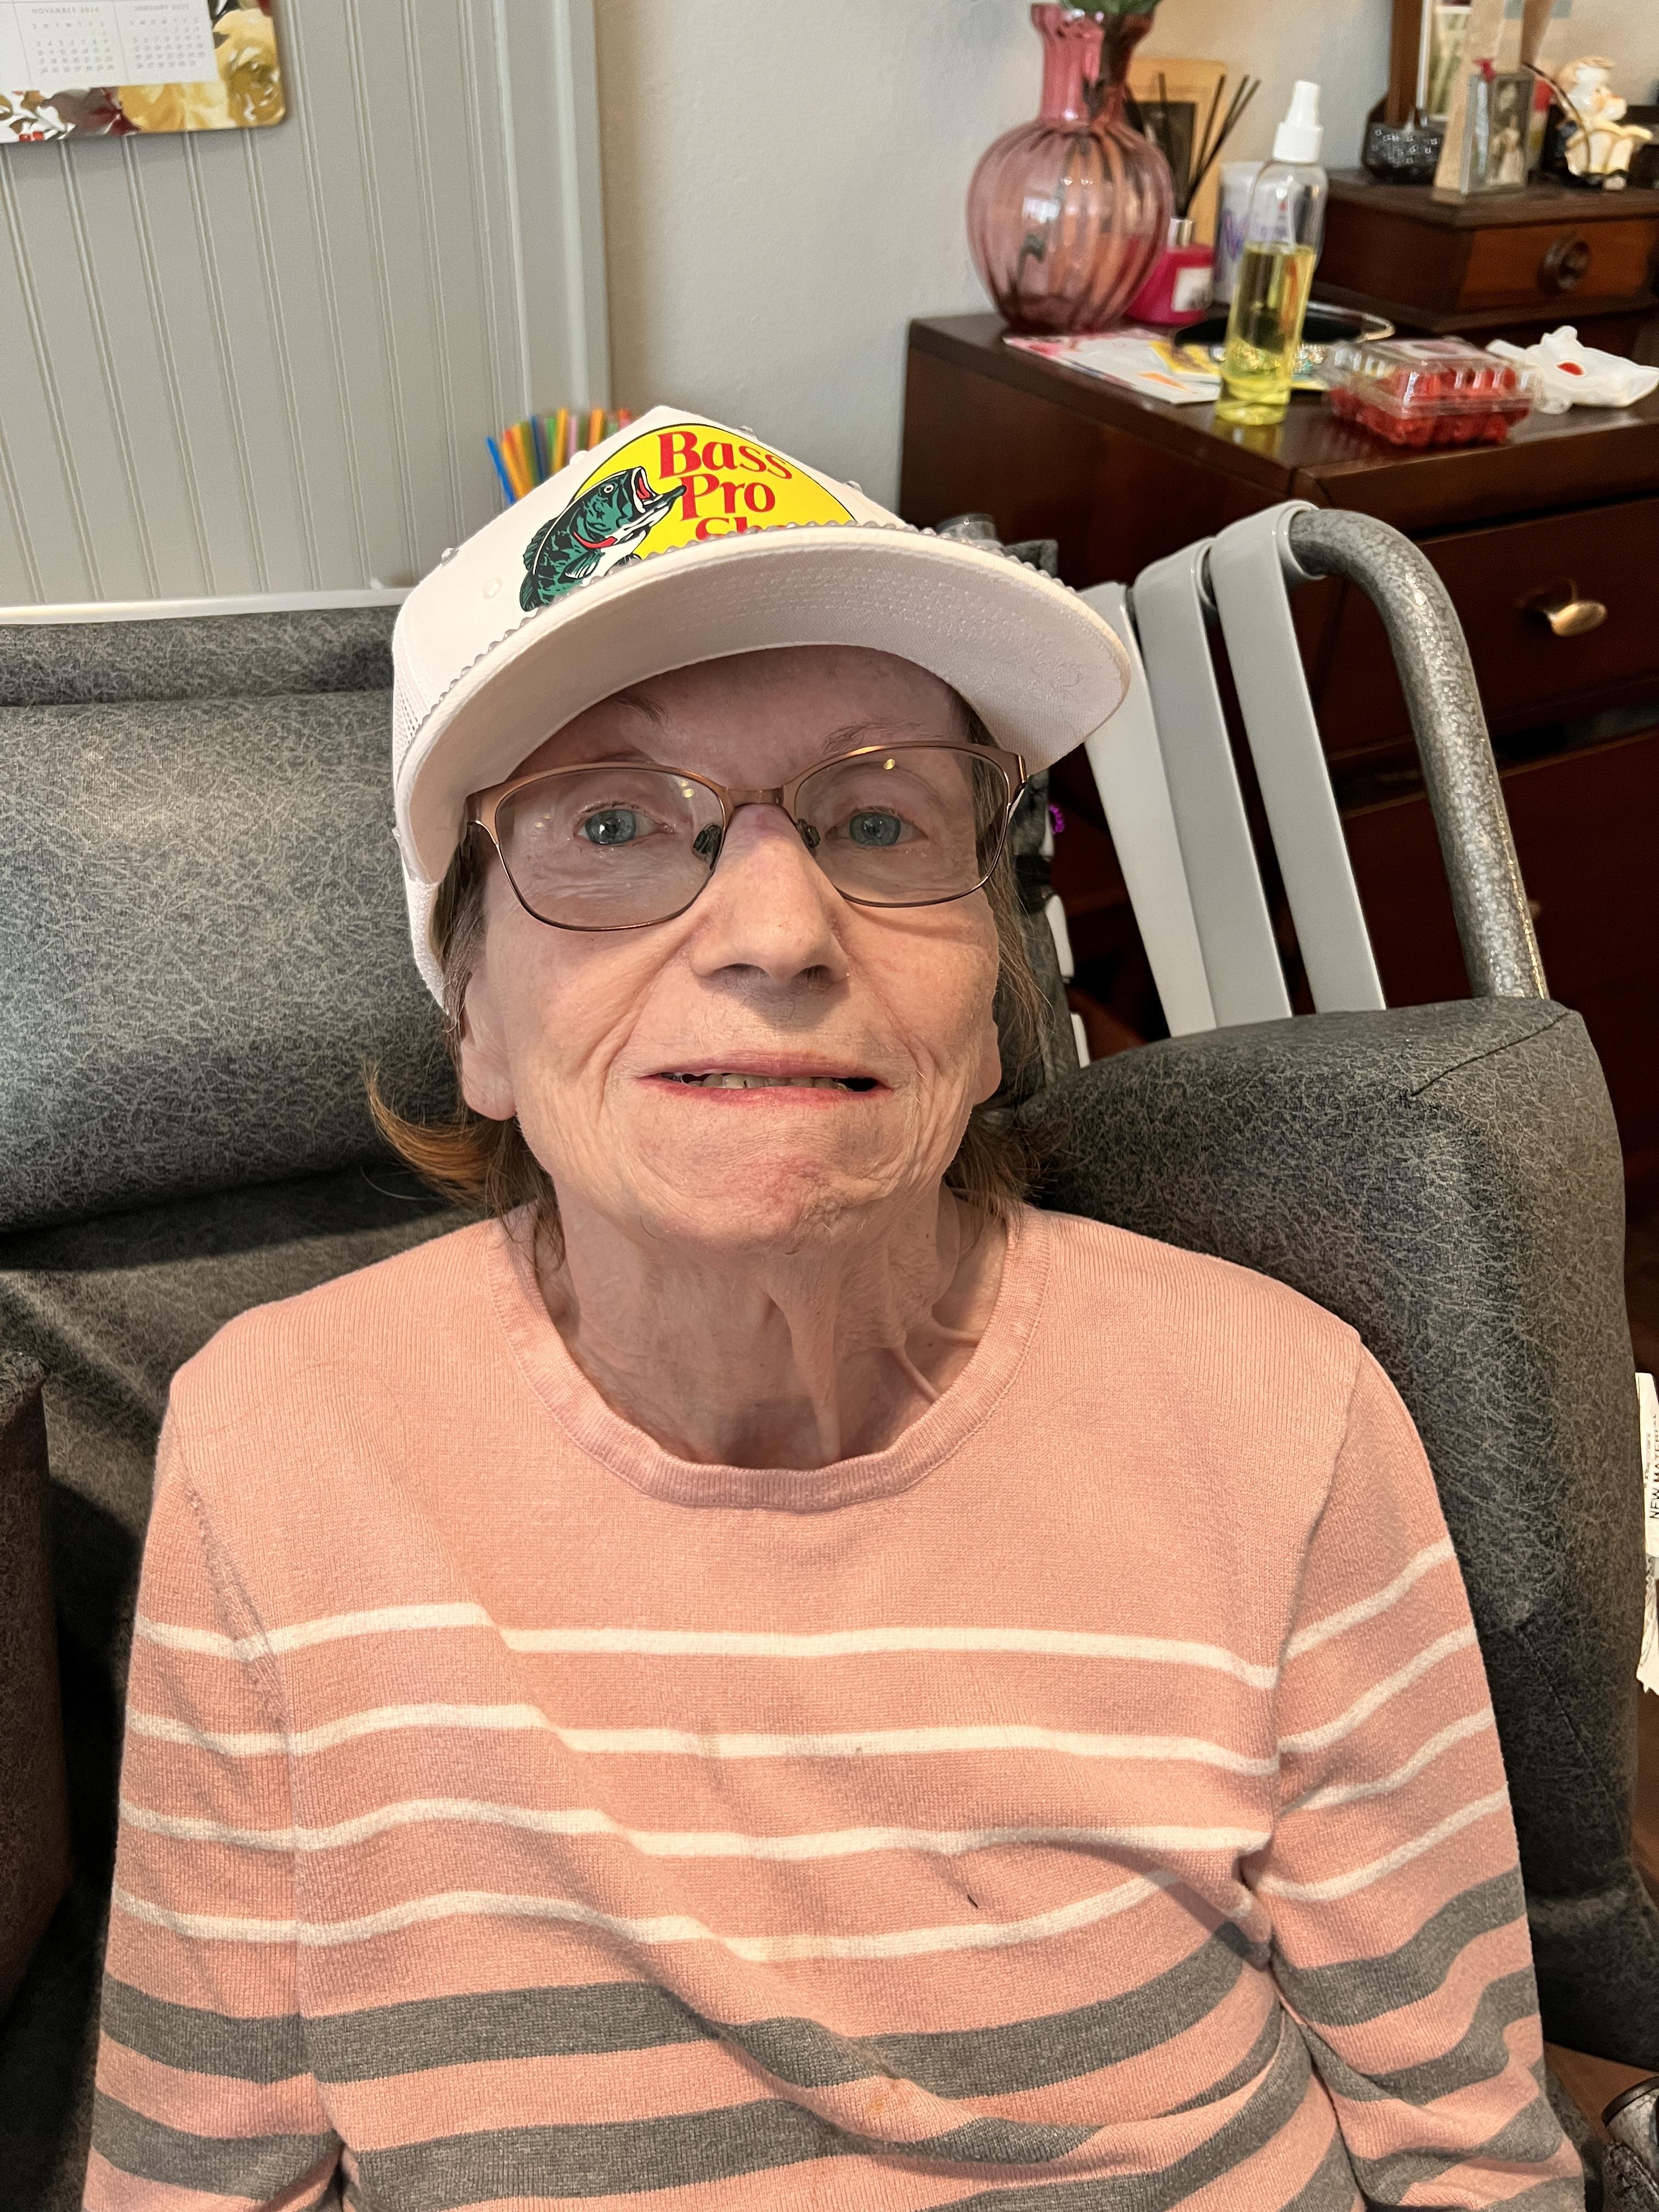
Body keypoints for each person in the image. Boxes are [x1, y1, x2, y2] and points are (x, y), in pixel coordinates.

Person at [87, 411, 1583, 2210]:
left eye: (882, 819)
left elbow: (1470, 2157)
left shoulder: (1282, 1414)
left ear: (997, 992)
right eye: (617, 824)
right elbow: (198, 2178)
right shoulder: (274, 1451)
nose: (779, 929)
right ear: (473, 1012)